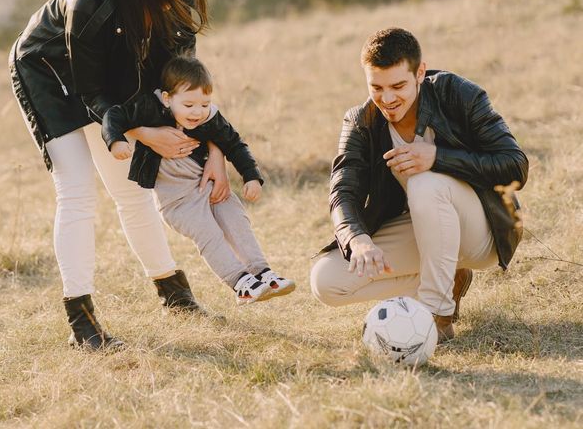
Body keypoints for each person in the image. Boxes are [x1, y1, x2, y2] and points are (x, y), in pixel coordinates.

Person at [9, 0, 231, 350]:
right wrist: (142, 131)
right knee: (76, 192)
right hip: (50, 74)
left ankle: (174, 293)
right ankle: (82, 320)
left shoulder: (179, 17)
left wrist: (216, 151)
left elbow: (185, 94)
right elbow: (89, 89)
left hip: (108, 88)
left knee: (132, 189)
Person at [310, 27, 528, 342]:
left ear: (420, 72)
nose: (387, 98)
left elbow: (515, 165)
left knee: (426, 183)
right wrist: (358, 239)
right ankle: (445, 281)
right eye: (376, 87)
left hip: (482, 231)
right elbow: (343, 190)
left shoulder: (458, 94)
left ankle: (436, 315)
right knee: (326, 281)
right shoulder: (361, 121)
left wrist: (438, 157)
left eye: (398, 85)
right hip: (422, 228)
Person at [102, 56, 295, 305]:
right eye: (189, 104)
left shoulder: (209, 118)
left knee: (236, 220)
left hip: (209, 188)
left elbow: (235, 143)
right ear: (167, 98)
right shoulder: (147, 109)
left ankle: (262, 272)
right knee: (209, 233)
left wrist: (251, 177)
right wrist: (115, 140)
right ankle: (241, 283)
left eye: (204, 104)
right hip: (178, 202)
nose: (197, 112)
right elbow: (113, 115)